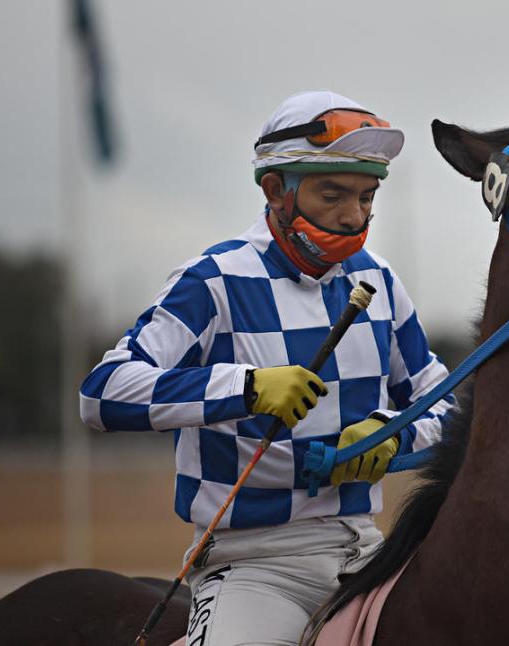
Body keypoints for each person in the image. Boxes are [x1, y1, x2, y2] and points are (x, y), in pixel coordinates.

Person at [79, 89, 454, 646]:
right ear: (276, 190)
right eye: (333, 195)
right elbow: (102, 394)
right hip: (253, 563)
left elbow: (448, 407)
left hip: (367, 552)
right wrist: (247, 388)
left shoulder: (379, 281)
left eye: (367, 196)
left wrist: (392, 434)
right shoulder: (213, 280)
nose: (354, 216)